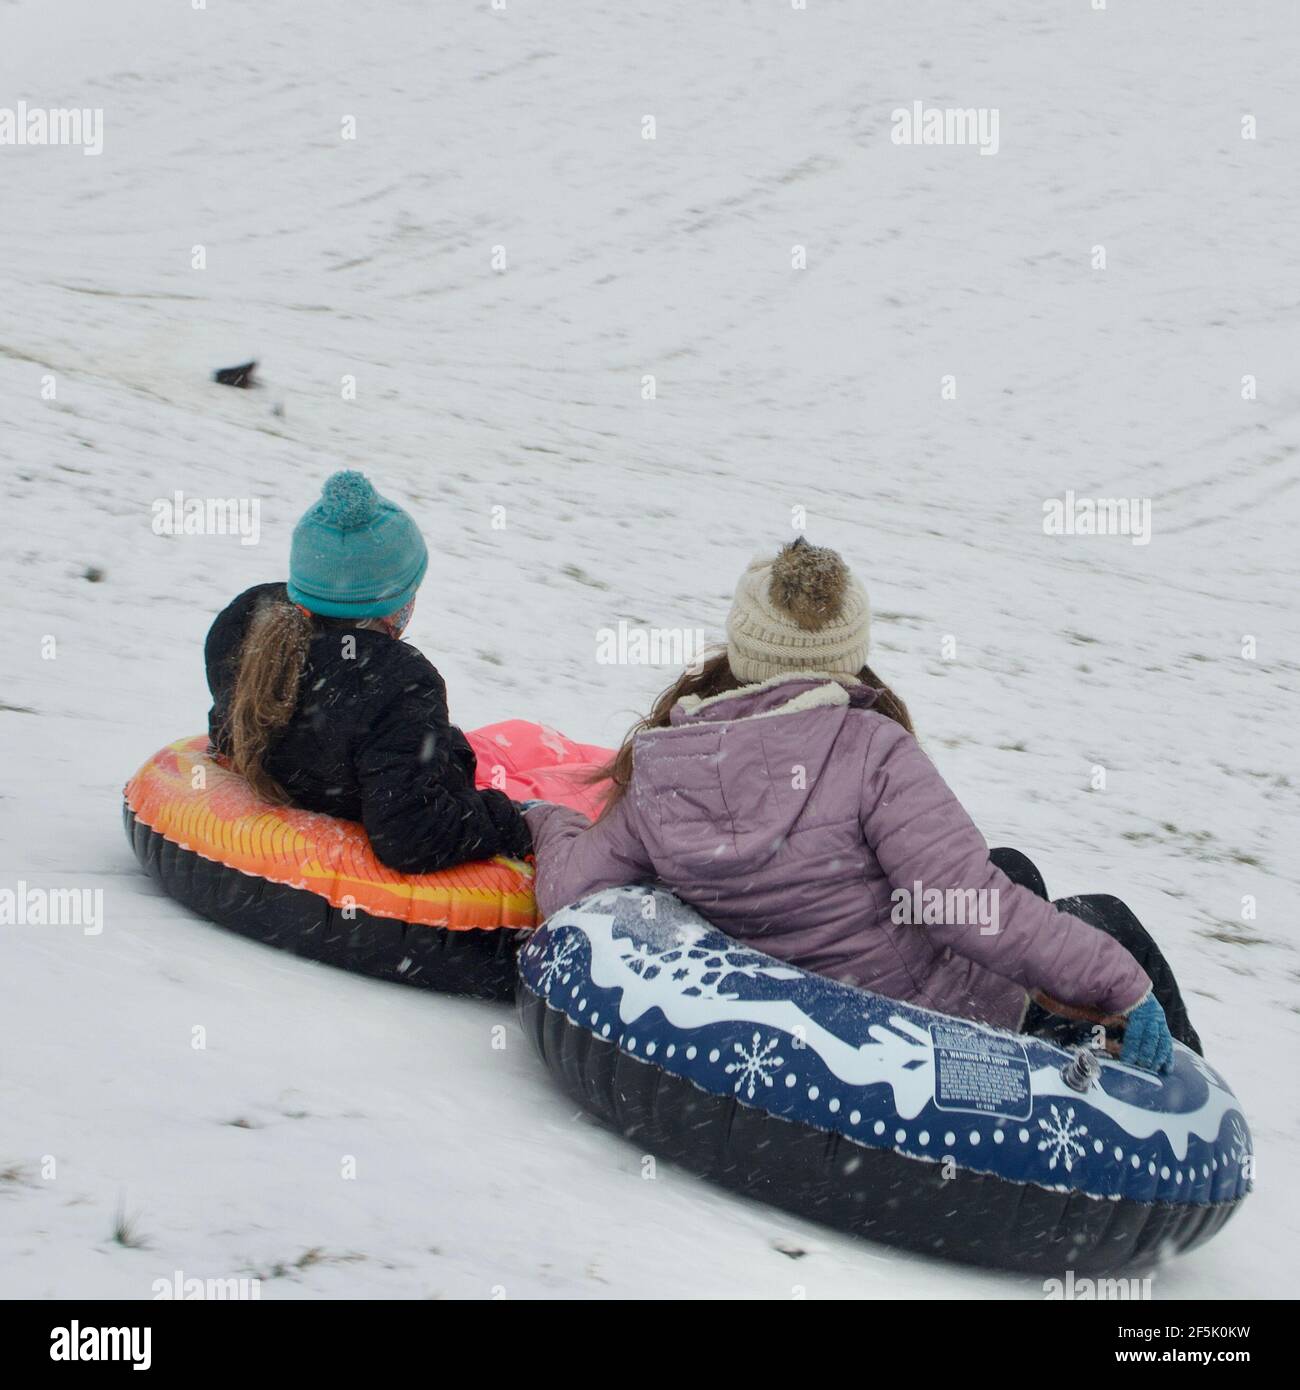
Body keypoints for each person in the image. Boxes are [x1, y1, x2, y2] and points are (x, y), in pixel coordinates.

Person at [524, 538, 1195, 1073]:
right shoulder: (869, 747)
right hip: (926, 1012)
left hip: (810, 980)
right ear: (848, 651)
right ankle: (1185, 1104)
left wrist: (546, 818)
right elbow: (961, 907)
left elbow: (567, 888)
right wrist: (1121, 986)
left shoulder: (664, 767)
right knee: (1107, 920)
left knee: (1011, 866)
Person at [205, 470, 531, 874]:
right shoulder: (399, 683)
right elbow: (408, 836)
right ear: (394, 605)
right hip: (352, 805)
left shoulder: (245, 622)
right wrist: (510, 822)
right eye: (410, 592)